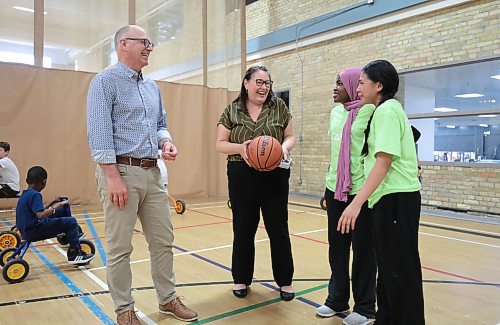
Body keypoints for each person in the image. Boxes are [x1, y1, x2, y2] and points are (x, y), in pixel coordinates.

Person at [87, 25, 197, 324]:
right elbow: (99, 134)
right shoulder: (104, 82)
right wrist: (112, 177)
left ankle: (167, 299)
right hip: (120, 172)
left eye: (150, 42)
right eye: (144, 42)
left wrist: (166, 142)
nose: (149, 47)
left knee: (163, 240)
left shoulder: (151, 86)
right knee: (120, 247)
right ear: (124, 44)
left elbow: (160, 124)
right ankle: (124, 309)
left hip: (152, 173)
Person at [337, 60, 425, 325]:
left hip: (396, 199)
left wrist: (356, 204)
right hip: (387, 199)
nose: (359, 88)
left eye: (363, 82)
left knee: (400, 272)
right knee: (388, 271)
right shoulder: (383, 110)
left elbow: (383, 162)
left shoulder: (386, 111)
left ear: (379, 85)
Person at [216, 65, 296, 301]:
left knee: (278, 228)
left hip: (275, 174)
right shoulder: (232, 110)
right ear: (246, 83)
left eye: (267, 83)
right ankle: (241, 278)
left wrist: (282, 148)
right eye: (259, 82)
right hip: (242, 172)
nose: (263, 87)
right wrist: (242, 148)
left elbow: (290, 135)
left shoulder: (278, 106)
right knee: (243, 228)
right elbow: (220, 144)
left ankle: (285, 281)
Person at [315, 68, 376, 325]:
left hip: (360, 192)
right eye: (334, 82)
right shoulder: (335, 113)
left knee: (363, 250)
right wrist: (328, 187)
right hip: (335, 190)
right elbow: (336, 153)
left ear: (352, 86)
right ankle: (337, 298)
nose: (335, 87)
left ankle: (364, 308)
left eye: (340, 83)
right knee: (337, 248)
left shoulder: (370, 111)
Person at [16, 166, 94, 264]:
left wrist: (53, 202)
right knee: (71, 222)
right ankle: (74, 254)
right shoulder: (35, 195)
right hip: (34, 231)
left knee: (60, 211)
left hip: (26, 230)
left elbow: (38, 209)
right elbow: (40, 214)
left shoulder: (26, 193)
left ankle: (66, 236)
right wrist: (55, 206)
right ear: (43, 182)